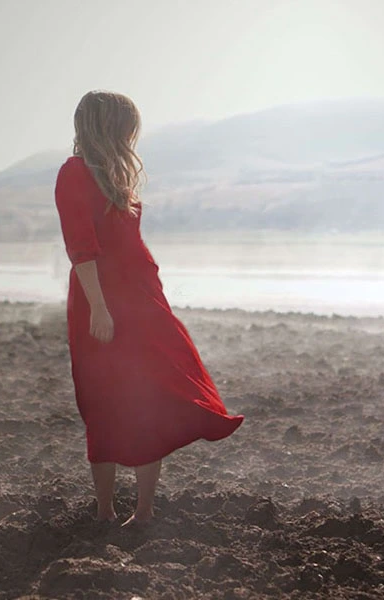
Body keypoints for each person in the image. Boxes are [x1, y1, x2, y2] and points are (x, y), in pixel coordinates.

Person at [54, 90, 244, 526]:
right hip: (100, 300)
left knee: (150, 394)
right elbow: (81, 249)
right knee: (102, 399)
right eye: (127, 127)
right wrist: (99, 309)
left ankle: (143, 512)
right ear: (107, 127)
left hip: (142, 298)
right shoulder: (74, 173)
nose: (132, 137)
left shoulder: (116, 177)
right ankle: (104, 510)